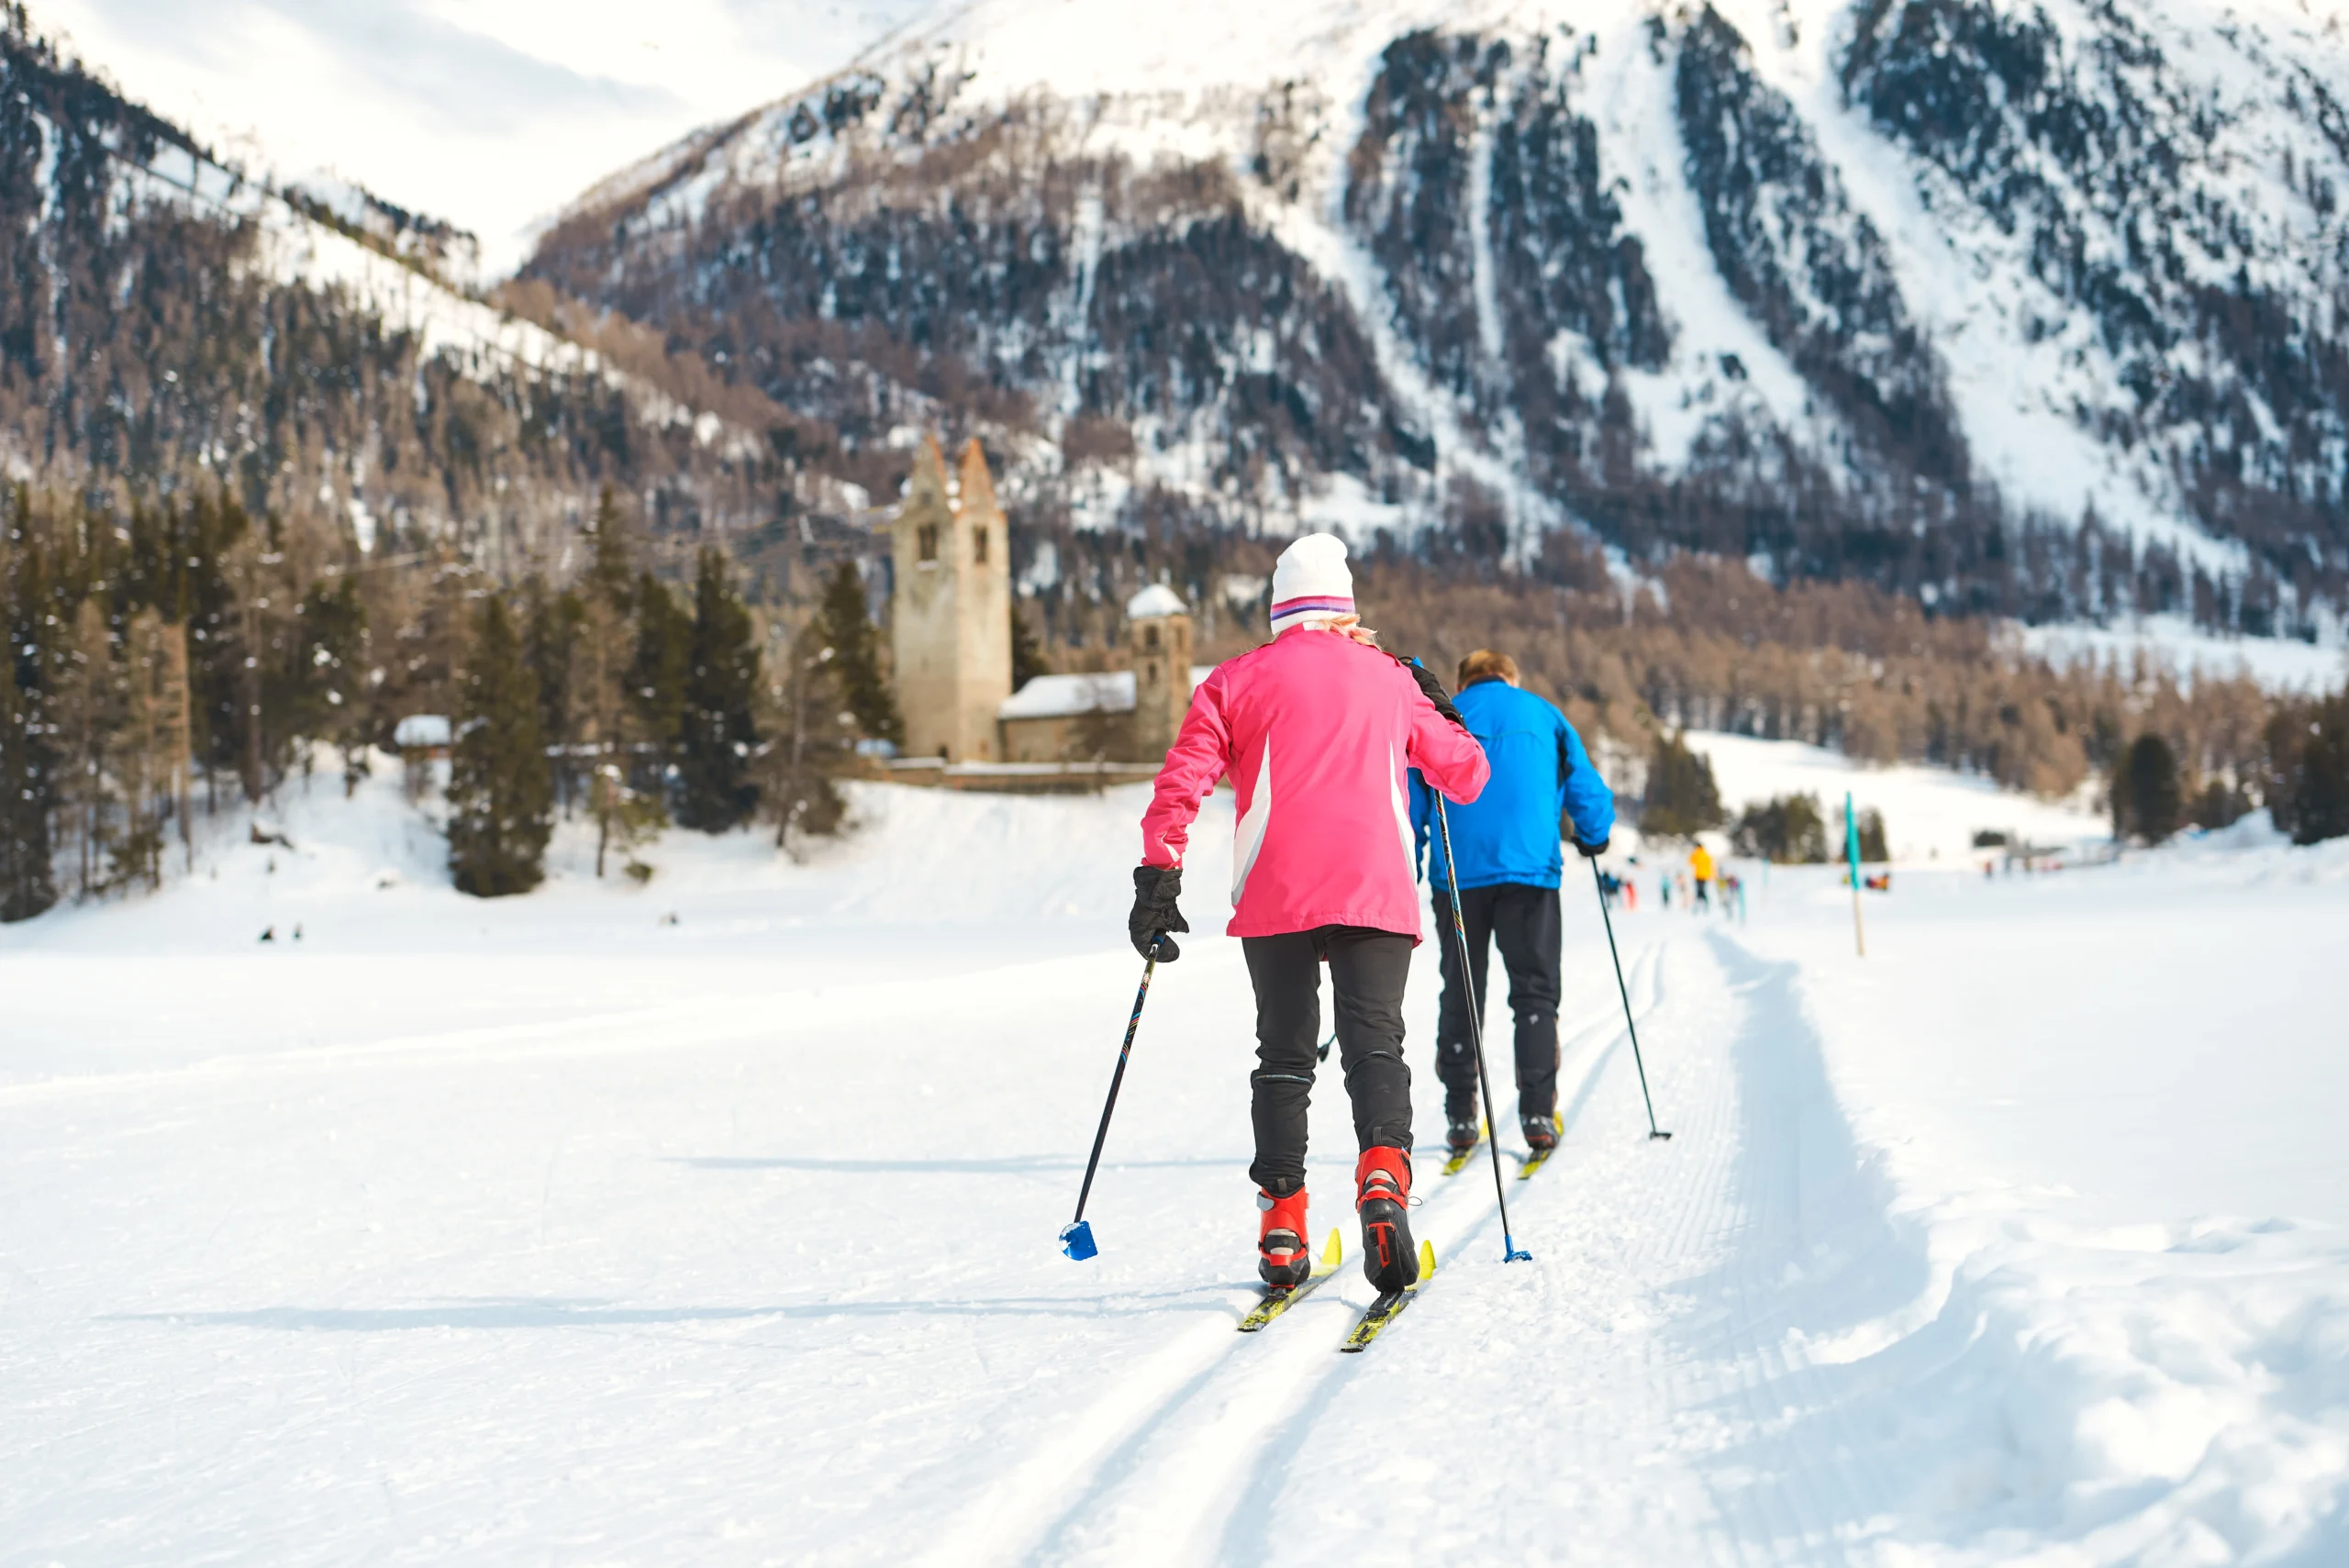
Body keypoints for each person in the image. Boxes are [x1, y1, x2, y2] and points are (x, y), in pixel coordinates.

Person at [1128, 534, 1489, 1297]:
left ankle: (1283, 1223)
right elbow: (1466, 775)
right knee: (1373, 1046)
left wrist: (1159, 873)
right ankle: (1383, 1182)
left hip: (1276, 889)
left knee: (1284, 1055)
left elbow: (1181, 781)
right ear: (1348, 606)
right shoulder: (1391, 678)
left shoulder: (1232, 681)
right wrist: (1434, 698)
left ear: (1279, 608)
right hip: (1373, 887)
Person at [1407, 650, 1614, 1161]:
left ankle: (1460, 1116)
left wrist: (1407, 861)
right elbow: (1585, 785)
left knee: (1461, 991)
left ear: (1464, 681)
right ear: (1511, 676)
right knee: (1535, 994)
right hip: (1530, 873)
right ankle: (1539, 1114)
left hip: (1458, 878)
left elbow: (1410, 797)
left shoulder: (1441, 714)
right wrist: (1594, 835)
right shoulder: (1544, 713)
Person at [1689, 841, 1715, 911]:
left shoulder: (1697, 854)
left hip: (1699, 875)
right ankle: (1703, 904)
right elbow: (1711, 865)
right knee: (1702, 890)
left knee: (1700, 890)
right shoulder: (1706, 854)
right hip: (1704, 876)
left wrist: (1694, 853)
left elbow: (1691, 862)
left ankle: (1702, 904)